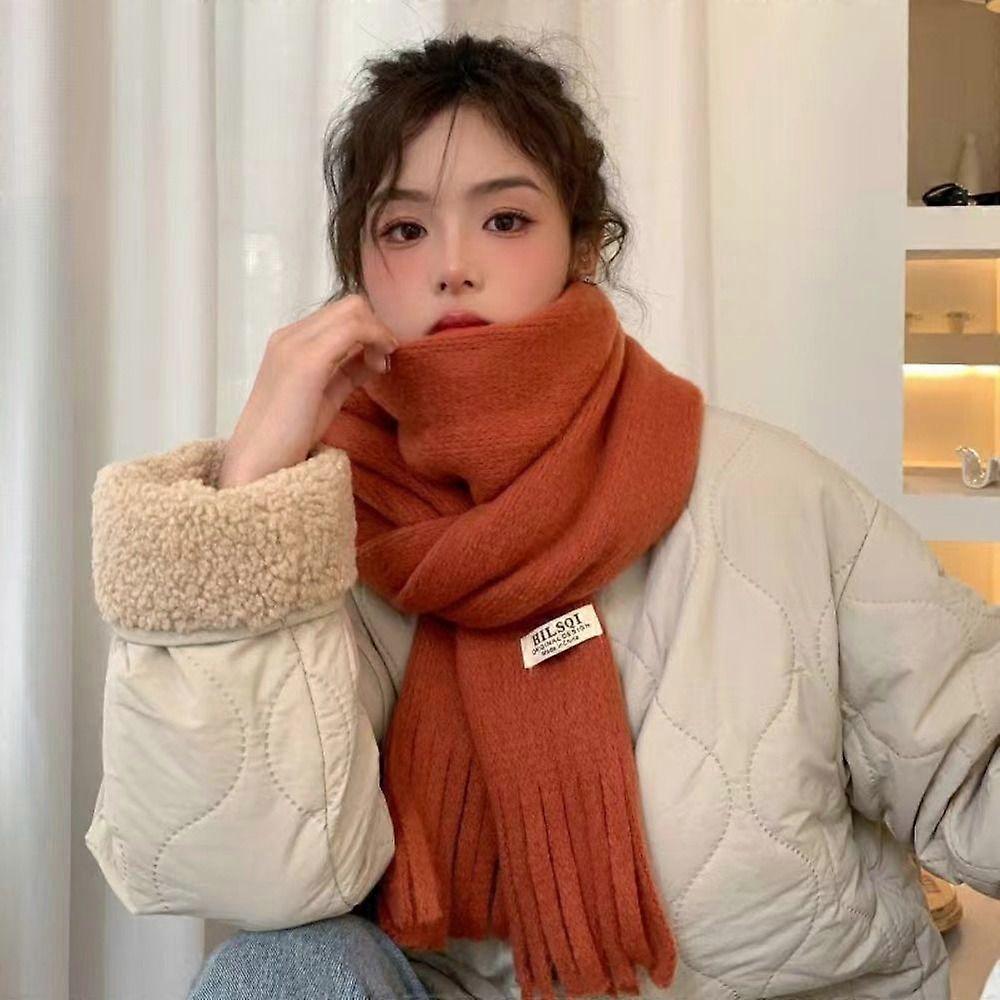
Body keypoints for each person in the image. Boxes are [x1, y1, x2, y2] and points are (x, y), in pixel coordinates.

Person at [84, 30, 1000, 1000]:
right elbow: (241, 874)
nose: (452, 266)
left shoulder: (771, 496)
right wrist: (249, 490)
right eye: (405, 229)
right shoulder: (315, 536)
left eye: (505, 219)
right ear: (358, 267)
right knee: (275, 968)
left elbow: (970, 761)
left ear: (586, 244)